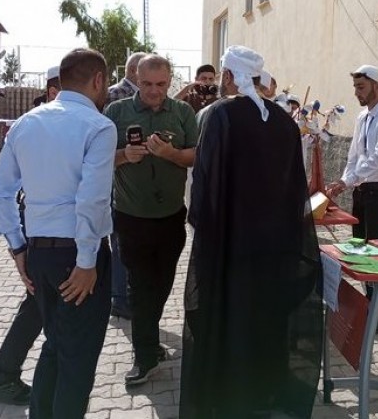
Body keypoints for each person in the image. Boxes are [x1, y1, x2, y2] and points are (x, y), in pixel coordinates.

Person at [179, 45, 323, 419]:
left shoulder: (220, 116)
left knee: (232, 318)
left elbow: (205, 184)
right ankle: (266, 392)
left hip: (231, 247)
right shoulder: (284, 121)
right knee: (266, 316)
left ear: (228, 76)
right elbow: (295, 187)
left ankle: (232, 395)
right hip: (274, 246)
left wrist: (204, 230)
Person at [0, 48, 116, 418]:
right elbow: (91, 200)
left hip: (39, 252)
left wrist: (18, 247)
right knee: (77, 361)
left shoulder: (26, 123)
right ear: (98, 80)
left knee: (57, 346)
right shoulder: (99, 126)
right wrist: (87, 261)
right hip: (79, 255)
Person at [105, 54, 198, 386]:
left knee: (161, 284)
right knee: (140, 287)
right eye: (147, 84)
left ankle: (149, 342)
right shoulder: (117, 112)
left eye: (161, 84)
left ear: (170, 81)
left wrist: (171, 154)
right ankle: (144, 356)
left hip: (171, 217)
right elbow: (97, 156)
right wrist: (123, 155)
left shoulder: (183, 113)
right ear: (135, 78)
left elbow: (196, 155)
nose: (154, 92)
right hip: (131, 217)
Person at [325, 64, 378, 333]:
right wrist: (343, 182)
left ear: (377, 86)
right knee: (360, 251)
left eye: (361, 87)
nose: (357, 92)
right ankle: (369, 307)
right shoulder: (362, 117)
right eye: (355, 87)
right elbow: (354, 156)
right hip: (361, 191)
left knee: (376, 255)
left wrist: (347, 180)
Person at [105, 51, 147, 320]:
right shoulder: (114, 96)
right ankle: (119, 297)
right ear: (134, 72)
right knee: (120, 242)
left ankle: (124, 293)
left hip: (137, 184)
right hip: (118, 179)